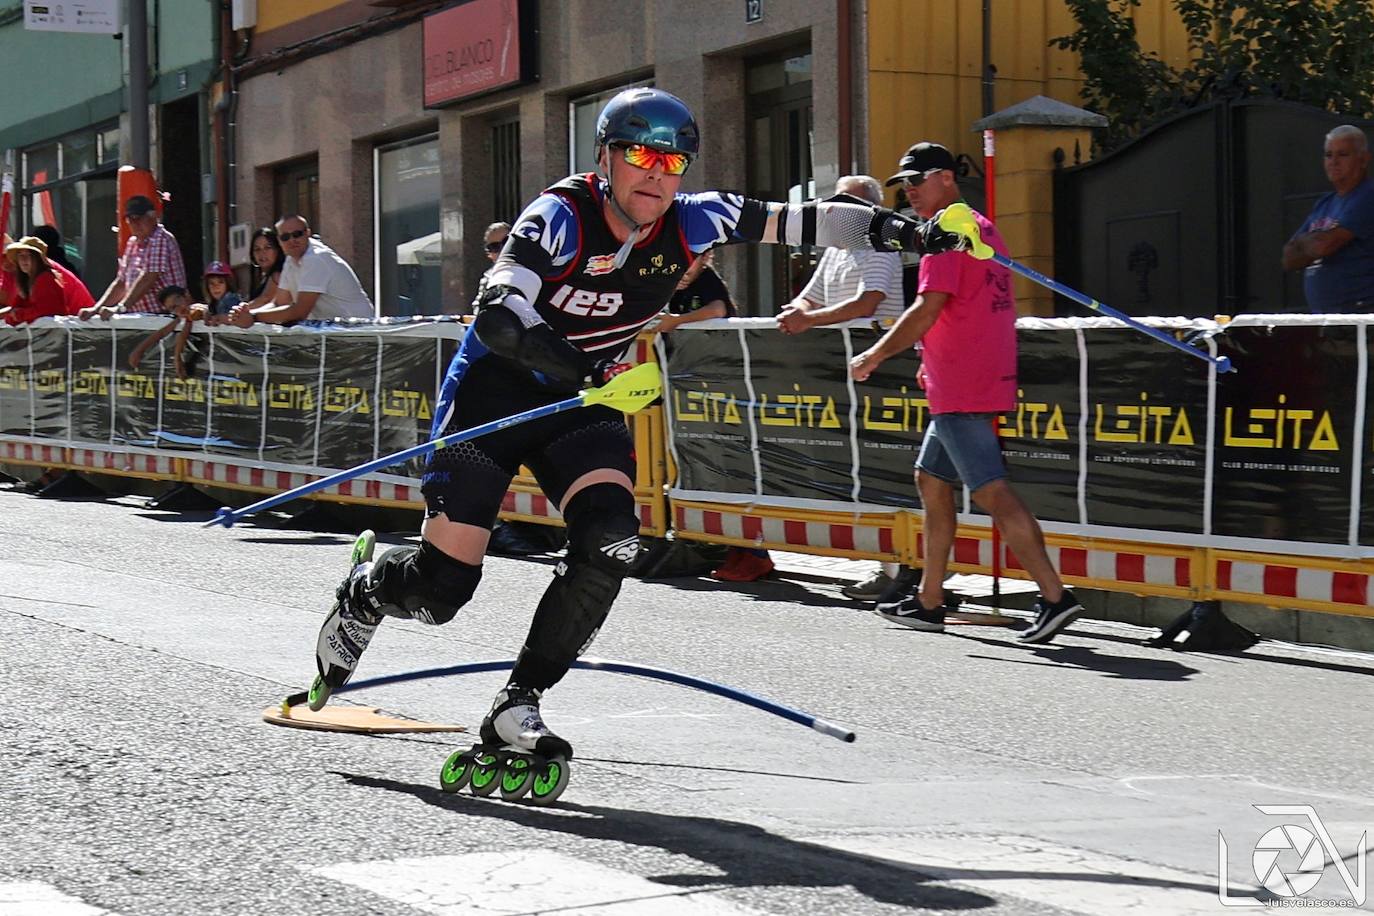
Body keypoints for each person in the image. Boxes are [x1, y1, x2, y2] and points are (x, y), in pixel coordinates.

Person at [306, 88, 968, 779]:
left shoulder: (695, 219)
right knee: (442, 592)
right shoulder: (560, 215)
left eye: (673, 161)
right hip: (493, 397)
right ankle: (368, 591)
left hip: (584, 403)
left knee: (612, 542)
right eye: (642, 155)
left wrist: (920, 235)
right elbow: (499, 316)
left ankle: (518, 702)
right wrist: (586, 370)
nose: (657, 173)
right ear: (606, 156)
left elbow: (815, 220)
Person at [849, 140, 1083, 644]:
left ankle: (1055, 597)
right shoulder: (976, 225)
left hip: (963, 383)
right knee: (931, 481)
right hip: (965, 375)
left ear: (948, 178)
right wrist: (926, 358)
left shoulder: (948, 231)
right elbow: (963, 307)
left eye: (917, 180)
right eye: (903, 184)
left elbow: (927, 309)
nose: (909, 191)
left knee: (992, 490)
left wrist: (876, 355)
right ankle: (930, 600)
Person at [777, 175, 905, 334]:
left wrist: (807, 319)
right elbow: (809, 299)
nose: (838, 208)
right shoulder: (834, 250)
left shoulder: (881, 246)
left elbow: (865, 305)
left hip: (878, 347)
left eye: (847, 202)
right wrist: (796, 310)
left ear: (871, 207)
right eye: (837, 202)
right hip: (843, 347)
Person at [1282, 125, 1374, 312]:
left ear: (1363, 160)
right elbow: (1289, 258)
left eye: (1343, 154)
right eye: (1328, 155)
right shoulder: (1324, 204)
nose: (1334, 162)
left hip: (1361, 324)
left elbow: (1323, 246)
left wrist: (1306, 243)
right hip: (1328, 325)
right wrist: (1312, 242)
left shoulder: (1368, 195)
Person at [228, 215, 372, 326]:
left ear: (308, 233)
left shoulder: (316, 259)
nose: (292, 240)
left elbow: (299, 312)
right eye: (285, 237)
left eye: (297, 234)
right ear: (279, 241)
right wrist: (248, 314)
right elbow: (279, 303)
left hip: (358, 332)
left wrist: (253, 317)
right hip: (337, 333)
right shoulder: (291, 260)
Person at [79, 195, 186, 320]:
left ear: (153, 217)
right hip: (142, 319)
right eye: (130, 219)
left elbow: (148, 277)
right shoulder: (132, 243)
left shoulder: (161, 238)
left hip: (165, 317)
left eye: (139, 218)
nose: (135, 223)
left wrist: (121, 308)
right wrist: (96, 309)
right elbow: (121, 283)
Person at [1, 235, 94, 324]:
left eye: (29, 255)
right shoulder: (24, 276)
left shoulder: (46, 277)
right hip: (49, 331)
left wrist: (19, 315)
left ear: (38, 258)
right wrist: (14, 316)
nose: (23, 259)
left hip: (79, 326)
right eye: (20, 255)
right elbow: (16, 307)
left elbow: (48, 310)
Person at [126, 286, 204, 379]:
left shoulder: (198, 309)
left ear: (186, 295)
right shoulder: (181, 316)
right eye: (172, 308)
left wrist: (177, 359)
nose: (178, 309)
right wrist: (138, 350)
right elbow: (163, 332)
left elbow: (184, 332)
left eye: (177, 303)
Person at [244, 227, 285, 309]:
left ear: (277, 249)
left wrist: (237, 312)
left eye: (268, 247)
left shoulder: (278, 275)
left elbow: (265, 299)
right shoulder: (261, 277)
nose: (262, 253)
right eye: (257, 249)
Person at [199, 261, 242, 325]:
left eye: (220, 282)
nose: (216, 287)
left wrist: (218, 318)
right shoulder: (213, 304)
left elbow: (238, 318)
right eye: (211, 283)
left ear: (228, 284)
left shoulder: (230, 298)